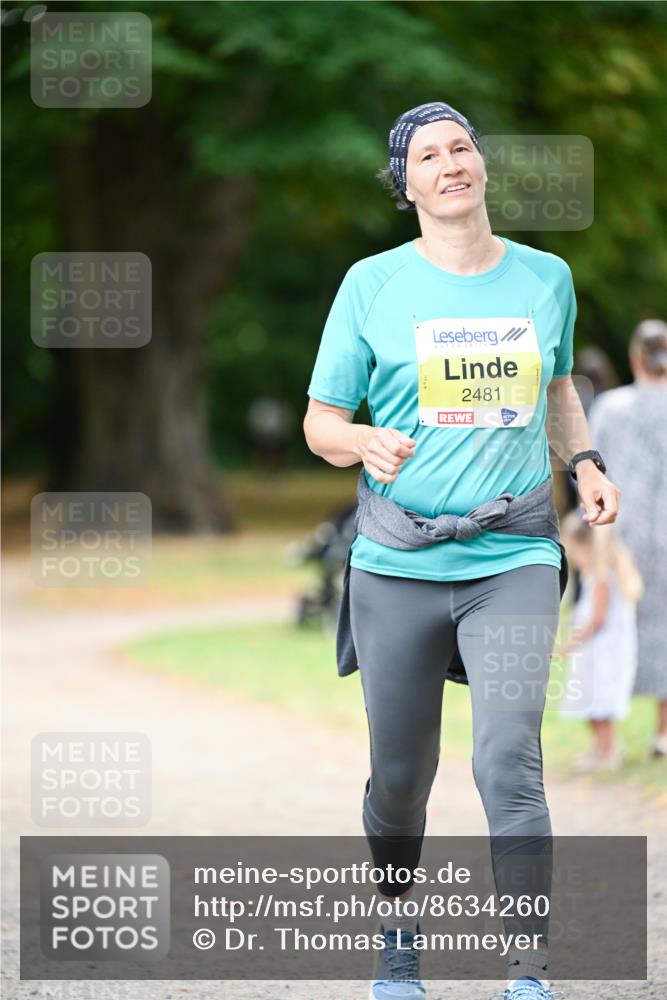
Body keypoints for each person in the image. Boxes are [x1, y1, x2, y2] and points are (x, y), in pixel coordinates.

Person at [303, 101, 620, 1000]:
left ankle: (526, 970)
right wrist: (360, 443)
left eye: (460, 148)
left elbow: (558, 386)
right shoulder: (370, 284)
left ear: (480, 165)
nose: (449, 164)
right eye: (427, 156)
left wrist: (585, 460)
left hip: (513, 550)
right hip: (397, 562)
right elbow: (319, 422)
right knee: (399, 781)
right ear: (404, 186)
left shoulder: (544, 276)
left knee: (507, 760)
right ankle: (397, 943)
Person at [585, 319, 667, 758]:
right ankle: (663, 733)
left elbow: (594, 475)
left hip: (620, 536)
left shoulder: (611, 408)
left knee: (607, 633)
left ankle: (606, 743)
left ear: (635, 357)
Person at [557, 512, 643, 770]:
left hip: (601, 652)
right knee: (590, 702)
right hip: (596, 652)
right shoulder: (598, 576)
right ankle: (600, 748)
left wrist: (569, 644)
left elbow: (597, 619)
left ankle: (607, 751)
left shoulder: (602, 579)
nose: (575, 559)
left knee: (599, 701)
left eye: (576, 552)